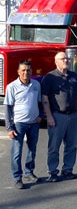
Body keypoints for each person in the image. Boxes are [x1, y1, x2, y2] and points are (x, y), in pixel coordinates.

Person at [41, 52, 77, 182]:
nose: (66, 60)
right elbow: (45, 98)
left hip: (72, 115)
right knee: (54, 146)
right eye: (62, 58)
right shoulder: (50, 77)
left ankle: (67, 170)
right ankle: (53, 172)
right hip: (57, 116)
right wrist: (49, 117)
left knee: (71, 145)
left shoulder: (74, 76)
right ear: (56, 61)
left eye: (66, 58)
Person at [4, 61, 42, 189]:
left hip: (33, 123)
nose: (26, 72)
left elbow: (40, 103)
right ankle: (17, 177)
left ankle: (29, 172)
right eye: (23, 70)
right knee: (17, 152)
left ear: (32, 72)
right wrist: (10, 128)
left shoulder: (36, 85)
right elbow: (8, 108)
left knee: (32, 150)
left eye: (28, 70)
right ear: (18, 72)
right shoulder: (12, 87)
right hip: (19, 124)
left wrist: (40, 116)